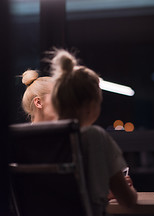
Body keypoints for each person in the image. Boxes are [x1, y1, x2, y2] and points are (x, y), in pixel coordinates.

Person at [49, 49, 137, 215]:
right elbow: (127, 200)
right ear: (90, 104)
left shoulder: (41, 138)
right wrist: (129, 190)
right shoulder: (94, 137)